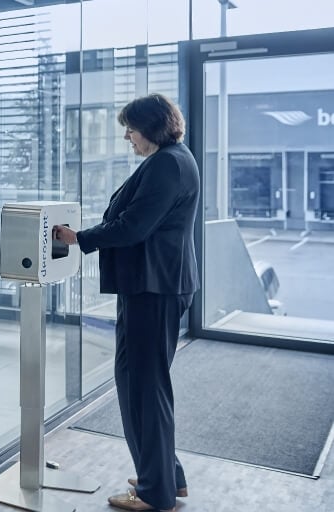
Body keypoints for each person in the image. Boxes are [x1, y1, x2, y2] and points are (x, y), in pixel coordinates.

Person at [53, 93, 199, 512]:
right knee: (142, 384)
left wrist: (81, 238)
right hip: (152, 286)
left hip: (154, 290)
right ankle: (167, 476)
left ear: (151, 127)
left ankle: (156, 493)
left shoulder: (169, 163)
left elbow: (134, 226)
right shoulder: (174, 158)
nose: (126, 137)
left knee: (143, 389)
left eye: (130, 129)